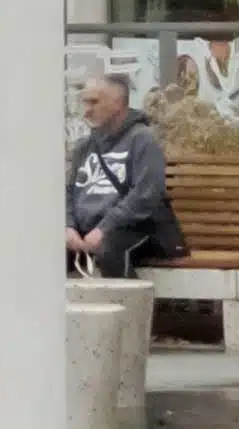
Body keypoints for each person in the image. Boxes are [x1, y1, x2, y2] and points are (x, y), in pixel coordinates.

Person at [66, 63, 177, 277]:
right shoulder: (84, 146)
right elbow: (69, 192)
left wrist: (104, 228)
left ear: (117, 103)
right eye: (85, 102)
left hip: (137, 229)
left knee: (109, 249)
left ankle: (128, 308)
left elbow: (145, 195)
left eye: (94, 102)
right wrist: (68, 226)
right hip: (86, 229)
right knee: (41, 249)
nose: (87, 110)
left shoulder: (142, 139)